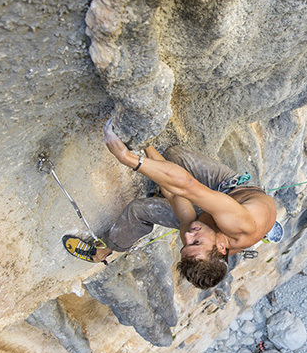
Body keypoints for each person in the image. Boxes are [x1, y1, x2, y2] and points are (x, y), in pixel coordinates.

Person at [63, 119, 278, 289]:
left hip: (218, 209)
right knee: (175, 156)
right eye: (195, 243)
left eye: (185, 246)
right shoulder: (240, 224)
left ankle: (102, 252)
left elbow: (176, 195)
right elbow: (185, 185)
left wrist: (143, 148)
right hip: (232, 190)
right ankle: (168, 176)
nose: (187, 236)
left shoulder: (195, 235)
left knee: (139, 209)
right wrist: (130, 157)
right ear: (221, 247)